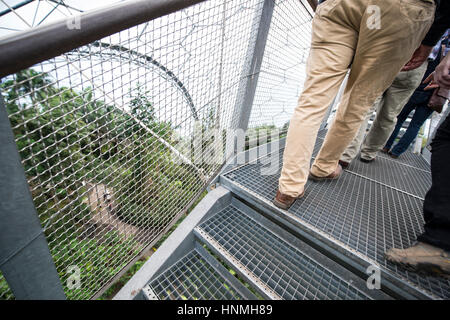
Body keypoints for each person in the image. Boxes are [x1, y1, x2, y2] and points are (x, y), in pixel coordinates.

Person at [274, 0, 448, 210]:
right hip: (398, 11)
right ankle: (323, 167)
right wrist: (429, 40)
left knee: (313, 100)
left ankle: (289, 188)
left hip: (343, 5)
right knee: (358, 101)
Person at [339, 30, 449, 167]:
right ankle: (369, 153)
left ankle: (346, 154)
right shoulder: (444, 17)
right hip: (418, 63)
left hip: (389, 51)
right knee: (390, 114)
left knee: (366, 107)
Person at [385, 51, 450, 278]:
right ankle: (396, 151)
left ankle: (438, 243)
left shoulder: (436, 40)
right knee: (416, 125)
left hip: (425, 82)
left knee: (406, 119)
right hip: (435, 90)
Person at [383, 33, 449, 159]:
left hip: (420, 87)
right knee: (416, 125)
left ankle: (387, 145)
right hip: (435, 94)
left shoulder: (434, 46)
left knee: (400, 117)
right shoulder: (447, 58)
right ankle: (396, 152)